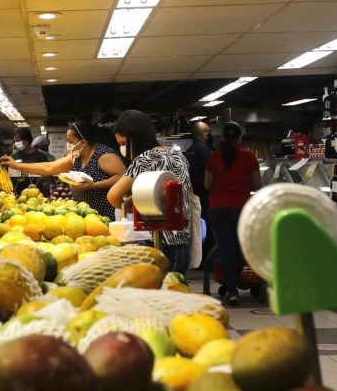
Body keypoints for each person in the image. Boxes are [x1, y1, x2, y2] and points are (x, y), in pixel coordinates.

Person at [107, 110, 192, 274]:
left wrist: (135, 208)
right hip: (182, 244)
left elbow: (113, 196)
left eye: (124, 143)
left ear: (135, 138)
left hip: (158, 245)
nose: (122, 148)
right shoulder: (178, 155)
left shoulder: (144, 159)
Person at [1, 121, 125, 220]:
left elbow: (122, 177)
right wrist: (15, 165)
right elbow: (49, 168)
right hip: (85, 214)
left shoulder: (103, 155)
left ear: (83, 141)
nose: (68, 144)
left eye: (70, 141)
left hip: (105, 214)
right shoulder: (76, 156)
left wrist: (95, 185)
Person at [204, 122, 261, 306]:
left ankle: (231, 290)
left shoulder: (214, 157)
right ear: (240, 138)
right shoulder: (249, 157)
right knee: (240, 248)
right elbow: (256, 185)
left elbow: (207, 184)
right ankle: (235, 285)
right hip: (241, 209)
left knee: (226, 248)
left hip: (218, 208)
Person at [184, 122, 213, 267]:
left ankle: (199, 259)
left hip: (193, 196)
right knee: (207, 230)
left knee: (198, 229)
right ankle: (207, 261)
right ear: (201, 134)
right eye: (207, 132)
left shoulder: (189, 150)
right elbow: (210, 173)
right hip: (204, 196)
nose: (209, 135)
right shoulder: (203, 149)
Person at [9, 127, 50, 195]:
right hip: (17, 195)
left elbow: (48, 176)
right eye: (15, 141)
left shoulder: (40, 156)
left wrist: (35, 175)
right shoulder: (13, 157)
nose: (16, 143)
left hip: (38, 195)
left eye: (18, 141)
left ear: (27, 141)